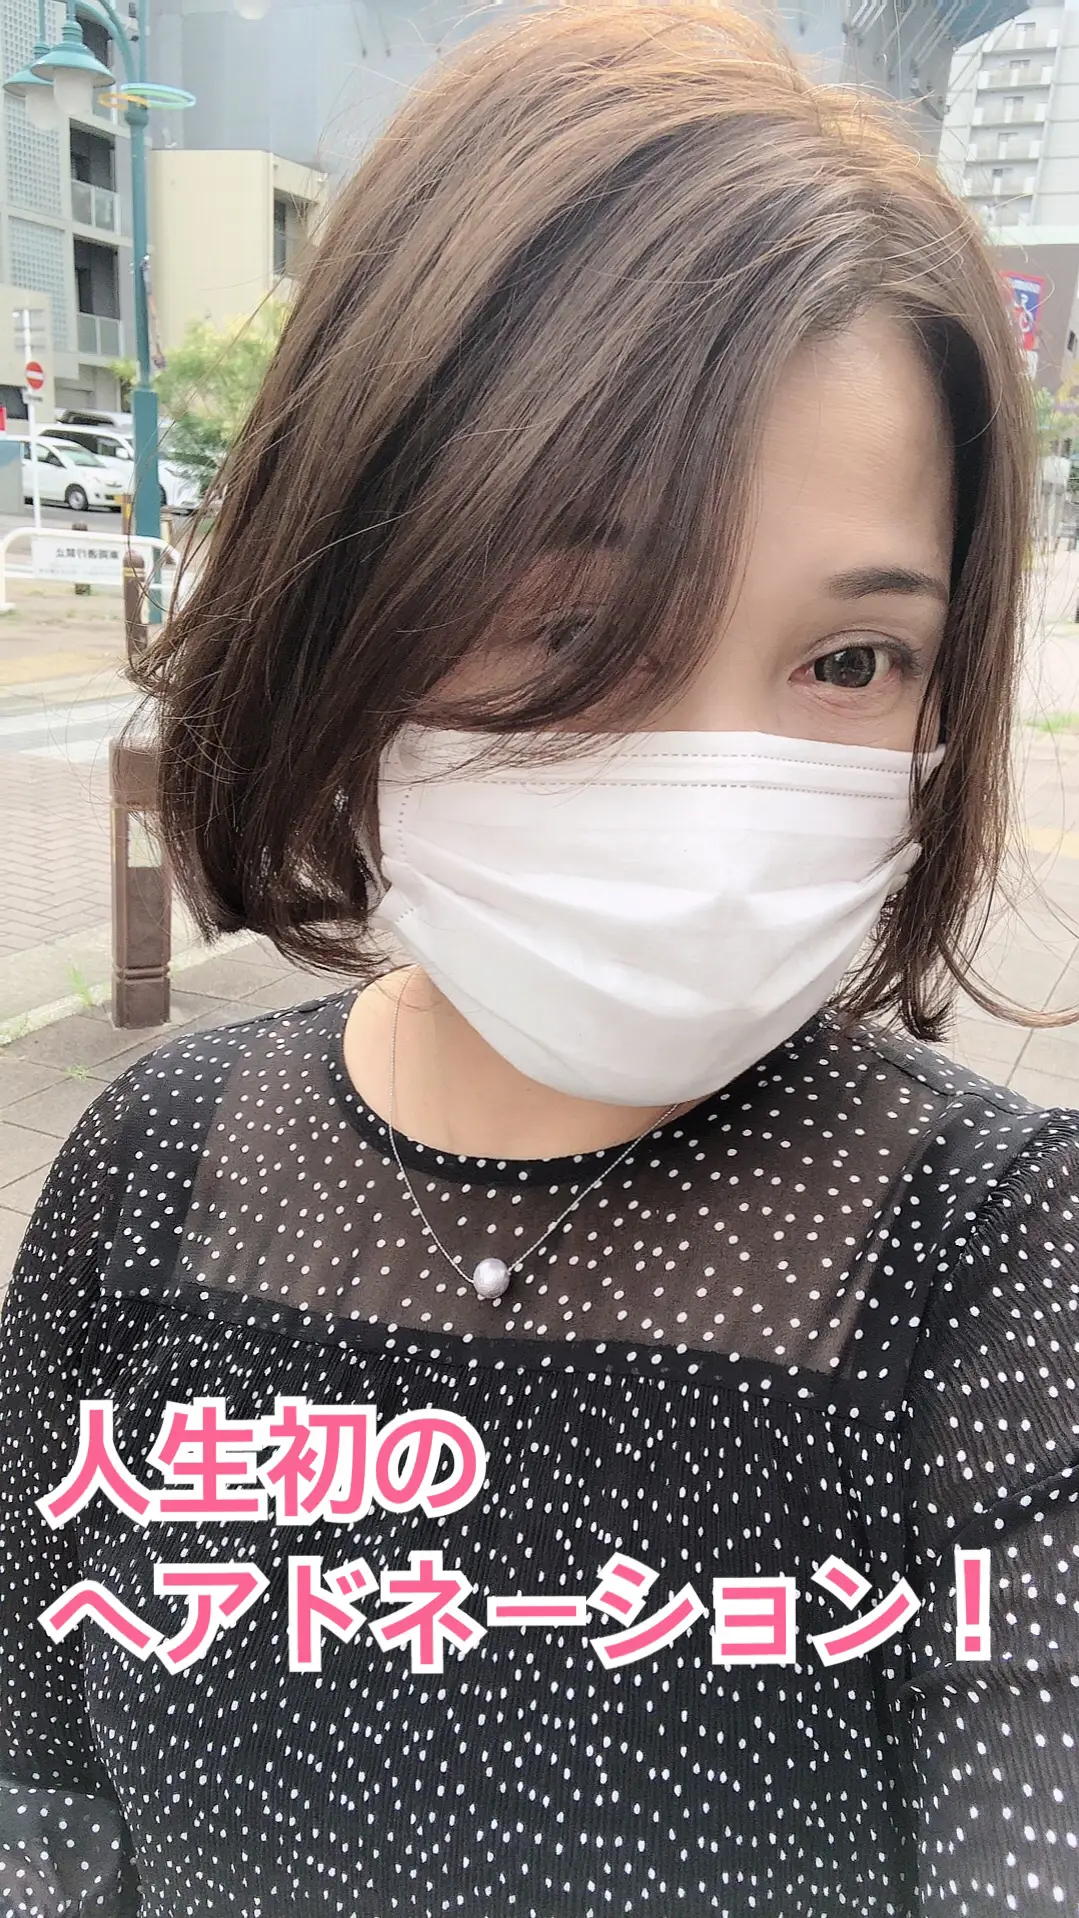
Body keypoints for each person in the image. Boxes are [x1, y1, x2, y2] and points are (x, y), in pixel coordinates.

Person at [2, 2, 1078, 1912]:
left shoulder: (1004, 1259)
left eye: (848, 659)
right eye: (574, 629)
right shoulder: (154, 1170)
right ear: (352, 593)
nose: (711, 800)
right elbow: (42, 1790)